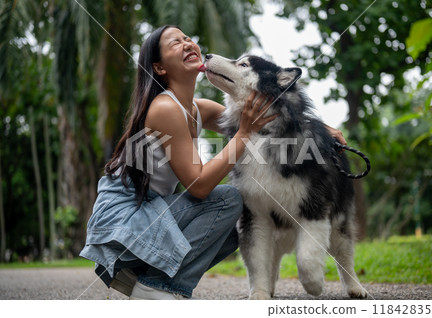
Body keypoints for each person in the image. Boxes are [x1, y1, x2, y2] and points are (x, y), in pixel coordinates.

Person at [80, 25, 347, 300]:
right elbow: (198, 186)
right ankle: (158, 285)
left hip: (147, 215)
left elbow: (269, 117)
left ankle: (147, 278)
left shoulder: (198, 108)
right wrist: (242, 134)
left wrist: (323, 129)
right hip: (125, 222)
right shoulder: (165, 108)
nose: (187, 43)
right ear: (159, 68)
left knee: (237, 223)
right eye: (175, 43)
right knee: (229, 199)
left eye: (187, 38)